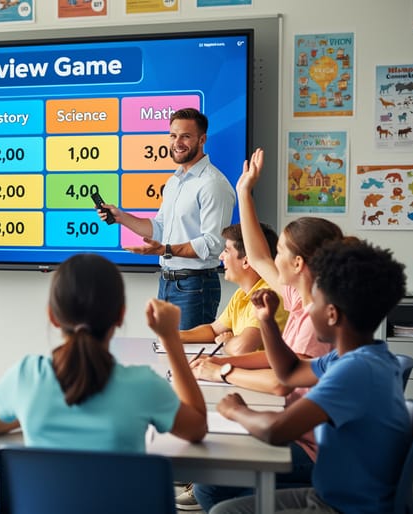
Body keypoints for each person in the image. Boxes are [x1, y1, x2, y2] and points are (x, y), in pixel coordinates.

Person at [177, 149, 342, 511]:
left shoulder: (317, 320)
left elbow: (282, 381)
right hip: (299, 429)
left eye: (279, 252)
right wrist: (244, 192)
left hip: (314, 450)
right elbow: (258, 256)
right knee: (213, 478)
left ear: (298, 264)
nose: (270, 259)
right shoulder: (300, 299)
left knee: (210, 483)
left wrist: (222, 372)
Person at [212, 239, 410, 514]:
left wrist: (236, 410)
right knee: (224, 508)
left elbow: (276, 430)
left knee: (224, 509)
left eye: (312, 301)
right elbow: (290, 371)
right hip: (332, 493)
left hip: (348, 507)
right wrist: (267, 321)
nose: (306, 309)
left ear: (331, 314)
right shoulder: (357, 355)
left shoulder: (355, 371)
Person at [0, 253, 207, 450]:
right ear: (120, 315)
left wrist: (29, 409)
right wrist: (170, 337)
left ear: (52, 316)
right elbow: (196, 428)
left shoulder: (26, 378)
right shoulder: (144, 385)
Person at [98, 108, 235, 330]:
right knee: (167, 348)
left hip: (196, 286)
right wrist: (121, 217)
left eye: (185, 136)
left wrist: (166, 250)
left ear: (202, 140)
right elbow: (160, 228)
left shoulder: (213, 184)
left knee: (188, 351)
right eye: (173, 136)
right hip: (167, 282)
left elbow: (213, 244)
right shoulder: (174, 182)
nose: (177, 143)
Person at [178, 223, 289, 356]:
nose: (221, 257)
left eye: (226, 251)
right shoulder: (241, 293)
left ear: (246, 261)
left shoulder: (268, 295)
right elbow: (213, 330)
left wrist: (227, 342)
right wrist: (175, 336)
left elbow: (241, 348)